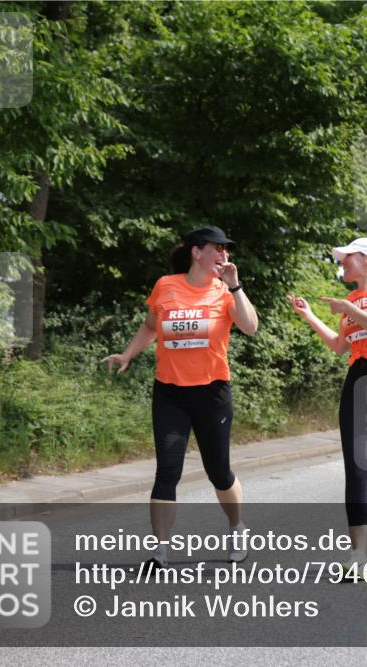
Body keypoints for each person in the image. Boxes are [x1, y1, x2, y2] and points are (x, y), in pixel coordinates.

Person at [102, 226, 258, 569]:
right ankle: (159, 552)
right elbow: (150, 326)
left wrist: (235, 285)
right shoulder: (166, 286)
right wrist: (127, 354)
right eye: (217, 248)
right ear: (196, 252)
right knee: (167, 472)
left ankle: (236, 528)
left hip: (212, 393)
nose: (224, 255)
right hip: (170, 392)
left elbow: (250, 327)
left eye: (227, 250)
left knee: (218, 472)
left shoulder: (225, 292)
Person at [287, 237, 367, 577]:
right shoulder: (353, 301)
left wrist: (349, 309)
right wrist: (310, 315)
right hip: (359, 383)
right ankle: (358, 555)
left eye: (348, 258)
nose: (342, 263)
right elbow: (339, 346)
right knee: (357, 471)